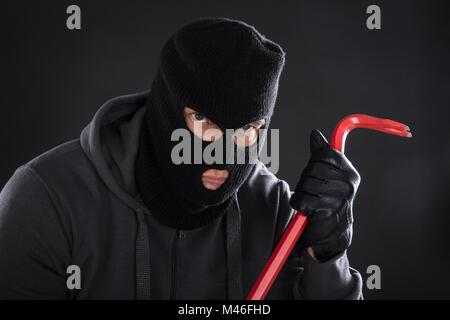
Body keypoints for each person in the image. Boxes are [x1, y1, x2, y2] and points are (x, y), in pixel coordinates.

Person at [0, 17, 362, 299]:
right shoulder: (48, 198)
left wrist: (326, 259)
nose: (224, 151)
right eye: (203, 121)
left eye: (248, 128)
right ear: (166, 110)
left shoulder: (279, 212)